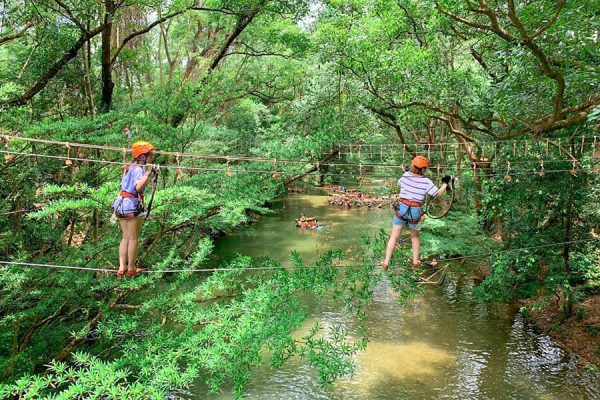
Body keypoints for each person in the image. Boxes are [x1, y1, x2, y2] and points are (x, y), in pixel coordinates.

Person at [380, 155, 451, 270]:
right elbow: (437, 194)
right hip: (415, 212)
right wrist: (445, 183)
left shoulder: (405, 176)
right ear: (424, 169)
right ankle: (415, 261)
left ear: (413, 166)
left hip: (402, 209)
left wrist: (407, 173)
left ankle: (386, 262)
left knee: (394, 237)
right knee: (414, 237)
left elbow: (400, 183)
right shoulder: (426, 182)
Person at [112, 141, 156, 277]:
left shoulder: (129, 167)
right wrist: (148, 173)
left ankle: (121, 267)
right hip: (131, 205)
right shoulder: (138, 169)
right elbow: (138, 187)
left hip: (120, 204)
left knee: (125, 237)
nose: (152, 157)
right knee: (133, 239)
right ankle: (131, 268)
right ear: (143, 156)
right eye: (150, 155)